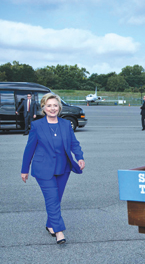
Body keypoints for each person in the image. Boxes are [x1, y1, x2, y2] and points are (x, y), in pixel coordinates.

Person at [21, 93, 85, 245]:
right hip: (43, 169)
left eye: (55, 105)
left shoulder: (65, 124)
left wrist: (79, 157)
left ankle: (50, 224)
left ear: (59, 107)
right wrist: (25, 169)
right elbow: (29, 149)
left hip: (63, 167)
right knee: (52, 198)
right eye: (49, 105)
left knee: (56, 199)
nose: (52, 108)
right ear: (43, 108)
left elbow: (74, 143)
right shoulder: (37, 126)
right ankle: (59, 231)